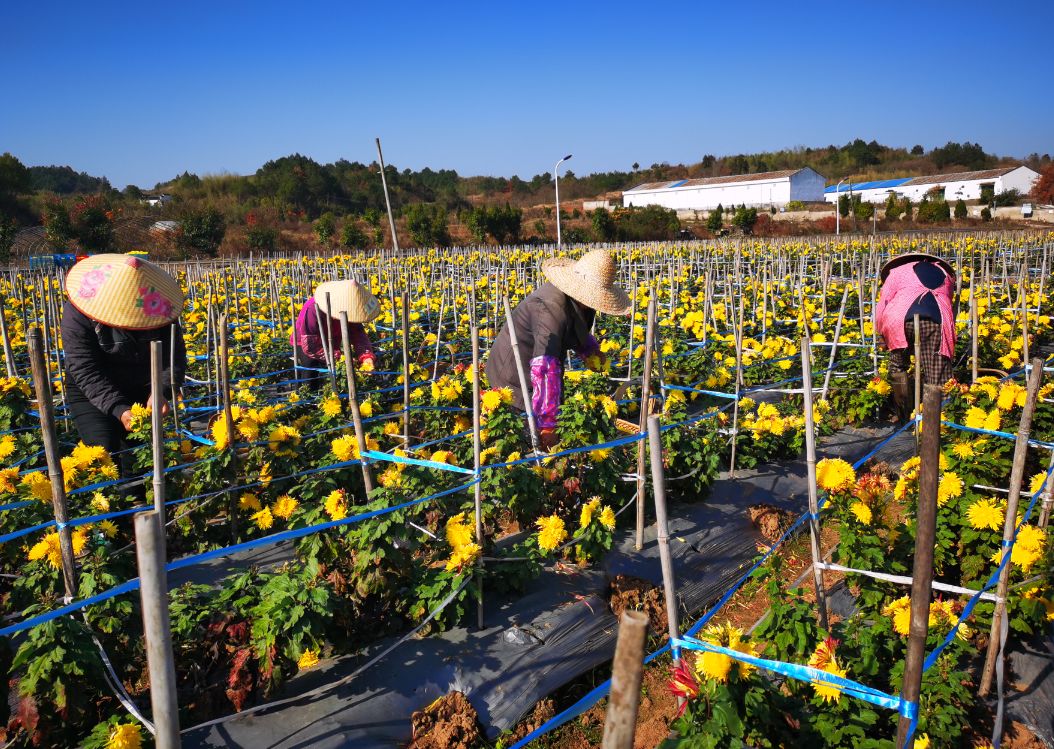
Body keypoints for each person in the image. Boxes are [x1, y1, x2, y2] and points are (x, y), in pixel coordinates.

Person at [487, 248, 632, 449]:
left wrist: (589, 351)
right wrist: (548, 423)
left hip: (538, 364)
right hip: (514, 372)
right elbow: (545, 367)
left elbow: (575, 328)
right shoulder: (549, 310)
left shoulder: (580, 302)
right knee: (527, 437)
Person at [60, 253, 187, 476]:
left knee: (144, 460)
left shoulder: (161, 309)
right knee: (103, 454)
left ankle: (142, 504)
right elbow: (85, 368)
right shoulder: (78, 313)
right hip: (93, 390)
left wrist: (162, 390)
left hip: (143, 386)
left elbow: (173, 357)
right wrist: (120, 409)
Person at [874, 252, 957, 419]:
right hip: (937, 320)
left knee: (898, 365)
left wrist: (880, 332)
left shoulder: (896, 272)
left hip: (900, 320)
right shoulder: (944, 273)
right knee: (936, 370)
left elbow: (883, 303)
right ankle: (939, 419)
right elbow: (950, 302)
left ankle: (904, 413)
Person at [291, 279, 380, 387]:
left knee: (335, 372)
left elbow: (358, 333)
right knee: (310, 369)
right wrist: (338, 356)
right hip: (306, 341)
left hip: (333, 338)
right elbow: (310, 346)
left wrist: (366, 356)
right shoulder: (313, 309)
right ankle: (306, 399)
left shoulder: (351, 309)